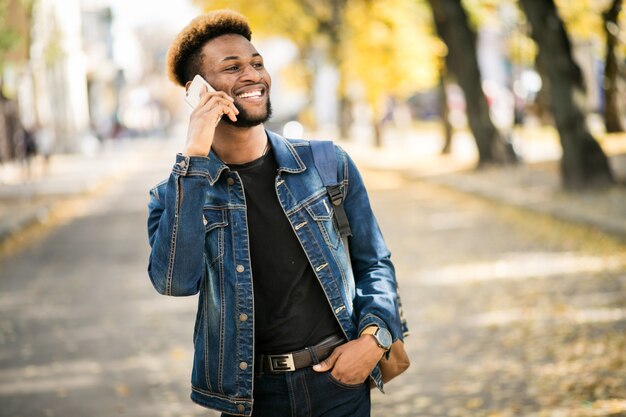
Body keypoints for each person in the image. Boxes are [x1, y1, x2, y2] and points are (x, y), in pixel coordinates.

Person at [147, 9, 404, 417]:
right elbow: (175, 281)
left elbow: (375, 263)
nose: (253, 75)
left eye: (257, 63)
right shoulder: (174, 194)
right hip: (251, 398)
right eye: (232, 67)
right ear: (197, 91)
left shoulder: (327, 164)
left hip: (340, 384)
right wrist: (194, 156)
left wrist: (373, 342)